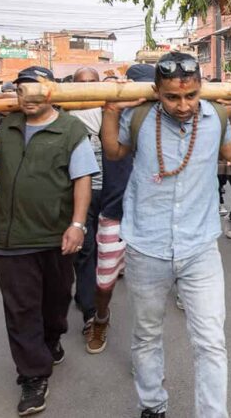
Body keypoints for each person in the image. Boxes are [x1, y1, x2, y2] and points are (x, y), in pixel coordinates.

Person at [100, 52, 231, 418]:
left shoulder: (215, 115)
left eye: (191, 95)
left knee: (211, 341)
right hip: (146, 246)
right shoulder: (140, 115)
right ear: (156, 91)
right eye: (172, 97)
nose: (183, 105)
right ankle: (152, 404)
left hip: (200, 247)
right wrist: (111, 110)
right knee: (147, 334)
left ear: (201, 89)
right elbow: (114, 151)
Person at [0, 66, 98, 416]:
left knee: (55, 302)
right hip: (11, 237)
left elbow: (82, 179)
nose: (29, 99)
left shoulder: (71, 130)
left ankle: (51, 339)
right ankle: (32, 377)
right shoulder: (7, 130)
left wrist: (77, 225)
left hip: (55, 235)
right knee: (20, 309)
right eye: (23, 91)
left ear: (50, 93)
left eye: (36, 91)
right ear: (16, 94)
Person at [89, 63, 155, 355]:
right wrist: (113, 109)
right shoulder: (113, 117)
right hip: (115, 211)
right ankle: (101, 318)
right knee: (104, 283)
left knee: (148, 291)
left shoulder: (167, 121)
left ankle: (145, 349)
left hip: (152, 216)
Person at [66, 67, 108, 351]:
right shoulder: (63, 114)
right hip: (77, 194)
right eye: (81, 83)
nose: (87, 88)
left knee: (108, 251)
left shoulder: (111, 108)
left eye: (92, 82)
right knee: (84, 253)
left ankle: (96, 300)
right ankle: (91, 313)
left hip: (110, 192)